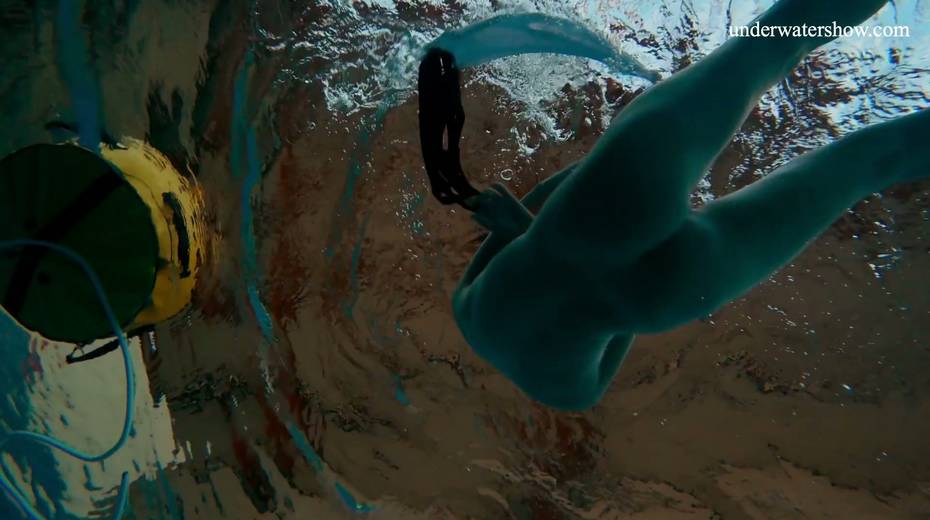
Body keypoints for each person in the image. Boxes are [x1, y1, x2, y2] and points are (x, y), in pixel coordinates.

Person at [449, 0, 930, 411]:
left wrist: (630, 271)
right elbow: (518, 225)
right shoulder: (466, 314)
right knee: (763, 50)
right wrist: (593, 169)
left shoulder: (569, 397)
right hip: (592, 220)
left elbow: (612, 323)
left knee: (863, 165)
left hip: (656, 296)